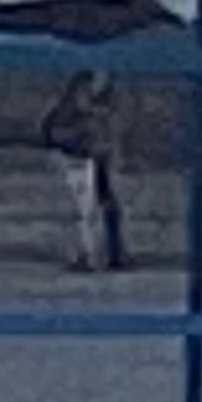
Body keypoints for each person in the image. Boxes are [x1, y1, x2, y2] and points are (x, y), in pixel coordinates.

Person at [43, 69, 128, 273]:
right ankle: (93, 255)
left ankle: (104, 254)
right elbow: (57, 133)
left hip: (93, 158)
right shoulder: (73, 112)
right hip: (80, 159)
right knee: (88, 209)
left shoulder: (94, 109)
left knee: (103, 208)